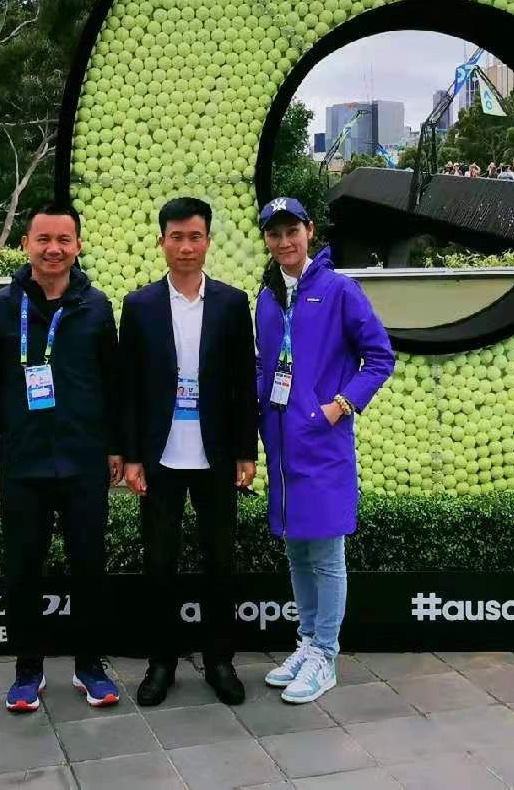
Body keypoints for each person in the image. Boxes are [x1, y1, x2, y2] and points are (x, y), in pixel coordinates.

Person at [0, 203, 125, 713]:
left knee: (89, 568)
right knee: (22, 570)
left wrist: (115, 447)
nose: (53, 249)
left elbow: (112, 384)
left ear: (77, 245)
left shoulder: (96, 307)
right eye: (43, 239)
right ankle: (27, 670)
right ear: (26, 245)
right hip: (23, 461)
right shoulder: (0, 308)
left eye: (63, 239)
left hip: (83, 461)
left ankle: (90, 666)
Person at [254, 197, 395, 705]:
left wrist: (339, 406)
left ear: (309, 232)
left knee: (328, 554)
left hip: (323, 444)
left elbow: (379, 357)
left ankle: (326, 656)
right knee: (296, 548)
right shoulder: (267, 297)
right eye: (274, 234)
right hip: (281, 444)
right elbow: (264, 364)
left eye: (292, 231)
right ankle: (307, 641)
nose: (284, 242)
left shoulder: (339, 290)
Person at [119, 197, 258, 707]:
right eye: (176, 237)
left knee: (220, 561)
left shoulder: (231, 303)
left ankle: (220, 661)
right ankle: (162, 662)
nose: (185, 247)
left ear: (208, 241)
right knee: (160, 564)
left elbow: (244, 381)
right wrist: (132, 456)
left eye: (194, 237)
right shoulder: (139, 306)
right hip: (160, 458)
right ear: (162, 242)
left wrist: (246, 450)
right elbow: (128, 387)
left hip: (216, 456)